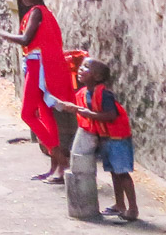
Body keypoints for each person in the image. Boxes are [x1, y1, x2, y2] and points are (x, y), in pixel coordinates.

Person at [0, 0, 75, 182]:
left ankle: (60, 158)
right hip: (37, 64)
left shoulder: (37, 11)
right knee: (44, 113)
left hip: (40, 66)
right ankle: (56, 164)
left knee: (27, 113)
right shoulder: (38, 12)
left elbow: (26, 39)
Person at [57, 58, 137, 221]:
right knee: (114, 173)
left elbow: (110, 116)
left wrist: (85, 113)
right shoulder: (84, 93)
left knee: (122, 173)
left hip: (118, 139)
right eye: (81, 66)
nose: (80, 69)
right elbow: (87, 112)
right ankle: (119, 205)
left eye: (86, 67)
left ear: (98, 77)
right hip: (106, 138)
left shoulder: (105, 94)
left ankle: (133, 208)